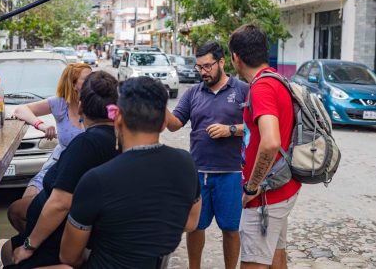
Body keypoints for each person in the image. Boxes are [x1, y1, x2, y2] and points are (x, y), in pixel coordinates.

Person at [58, 76, 201, 268]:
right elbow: (191, 223)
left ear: (118, 120)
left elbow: (68, 257)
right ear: (162, 124)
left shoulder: (97, 179)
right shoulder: (186, 163)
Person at [1, 71, 120, 268]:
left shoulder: (86, 144)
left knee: (12, 254)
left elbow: (61, 204)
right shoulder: (118, 137)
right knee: (8, 245)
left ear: (80, 106)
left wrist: (29, 246)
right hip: (72, 229)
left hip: (66, 237)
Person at [166, 42, 249, 269]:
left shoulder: (242, 90)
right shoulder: (193, 93)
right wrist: (159, 104)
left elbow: (257, 126)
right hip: (199, 173)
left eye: (208, 66)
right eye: (199, 67)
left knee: (231, 229)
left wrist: (230, 129)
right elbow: (174, 125)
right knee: (195, 227)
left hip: (232, 173)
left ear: (222, 62)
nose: (203, 71)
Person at [229, 24, 301, 268]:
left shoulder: (262, 87)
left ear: (235, 58)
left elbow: (270, 142)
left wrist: (252, 187)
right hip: (283, 189)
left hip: (265, 197)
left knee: (254, 262)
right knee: (275, 256)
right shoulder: (277, 79)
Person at [8, 63, 92, 233]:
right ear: (73, 83)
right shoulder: (60, 104)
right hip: (58, 162)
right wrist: (41, 125)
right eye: (87, 79)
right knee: (27, 203)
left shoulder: (96, 104)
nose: (93, 82)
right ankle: (37, 246)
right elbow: (20, 109)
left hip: (85, 166)